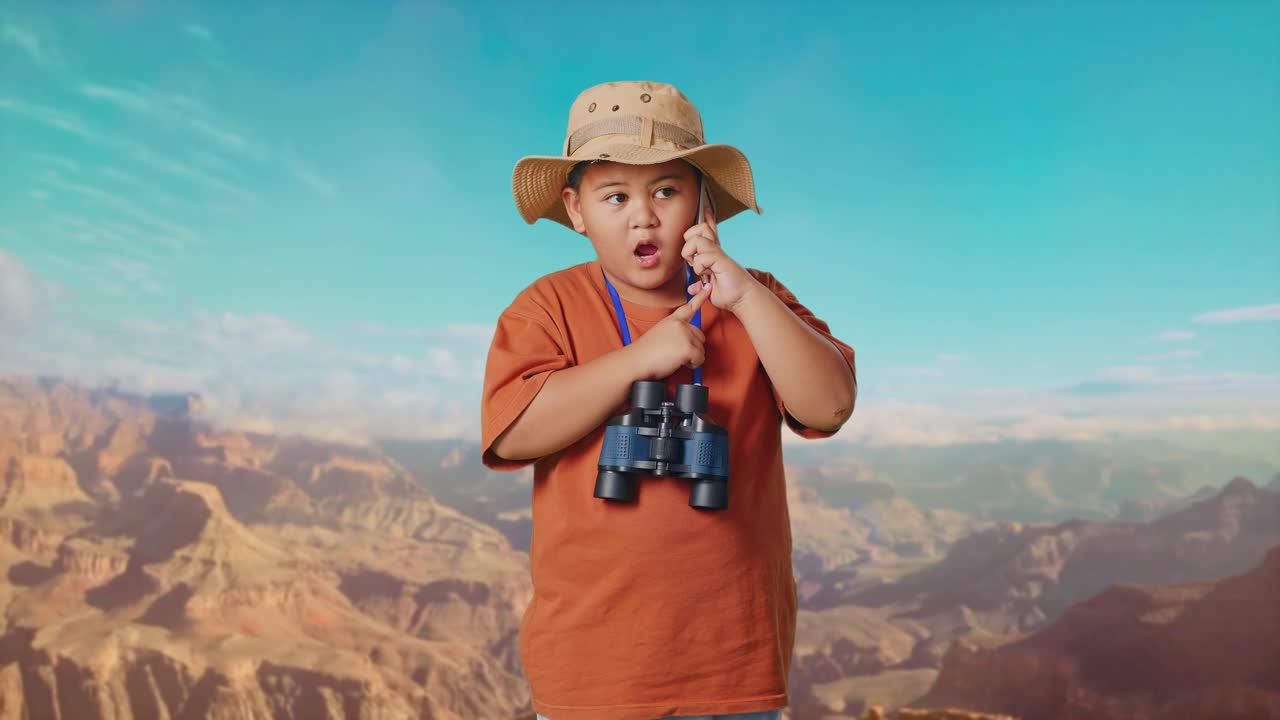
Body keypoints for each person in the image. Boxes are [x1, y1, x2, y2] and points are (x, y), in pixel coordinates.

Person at [481, 80, 857, 720]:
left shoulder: (754, 298)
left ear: (703, 204)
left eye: (666, 190)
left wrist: (743, 298)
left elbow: (830, 406)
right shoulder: (547, 307)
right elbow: (513, 433)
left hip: (734, 661)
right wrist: (637, 362)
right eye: (615, 196)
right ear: (576, 211)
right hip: (593, 666)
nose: (643, 216)